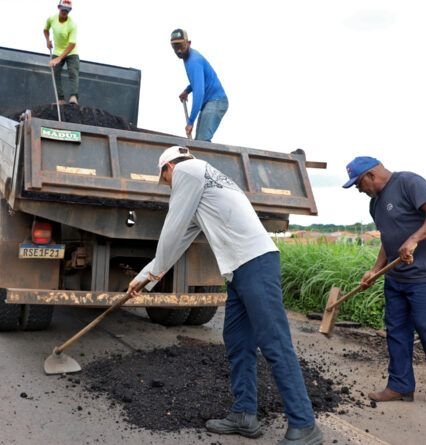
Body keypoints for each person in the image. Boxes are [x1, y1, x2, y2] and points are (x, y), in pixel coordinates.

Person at [127, 146, 322, 445]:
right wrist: (143, 278)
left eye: (164, 180)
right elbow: (179, 241)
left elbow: (171, 229)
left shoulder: (188, 171)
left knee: (274, 342)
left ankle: (304, 425)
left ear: (167, 168)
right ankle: (244, 415)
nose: (168, 186)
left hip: (255, 264)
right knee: (238, 342)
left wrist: (151, 275)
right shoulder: (204, 181)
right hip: (238, 271)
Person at [343, 156, 426, 410]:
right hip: (395, 277)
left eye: (358, 184)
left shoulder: (409, 182)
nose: (359, 190)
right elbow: (388, 240)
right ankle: (400, 385)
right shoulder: (375, 205)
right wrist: (375, 270)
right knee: (396, 330)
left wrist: (414, 239)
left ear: (371, 176)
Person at [170, 29, 228, 142]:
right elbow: (199, 81)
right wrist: (187, 91)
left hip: (216, 101)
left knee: (202, 142)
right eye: (175, 46)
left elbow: (199, 93)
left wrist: (190, 121)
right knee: (199, 142)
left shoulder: (193, 61)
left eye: (181, 45)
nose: (179, 50)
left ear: (189, 43)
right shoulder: (188, 58)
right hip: (210, 102)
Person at [44, 0, 79, 105]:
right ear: (59, 8)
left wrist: (59, 58)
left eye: (67, 10)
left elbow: (72, 44)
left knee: (73, 72)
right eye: (63, 9)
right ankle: (60, 99)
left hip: (71, 52)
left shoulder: (72, 25)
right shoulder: (51, 19)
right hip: (57, 51)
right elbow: (45, 29)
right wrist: (47, 40)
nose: (64, 12)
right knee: (55, 73)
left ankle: (73, 96)